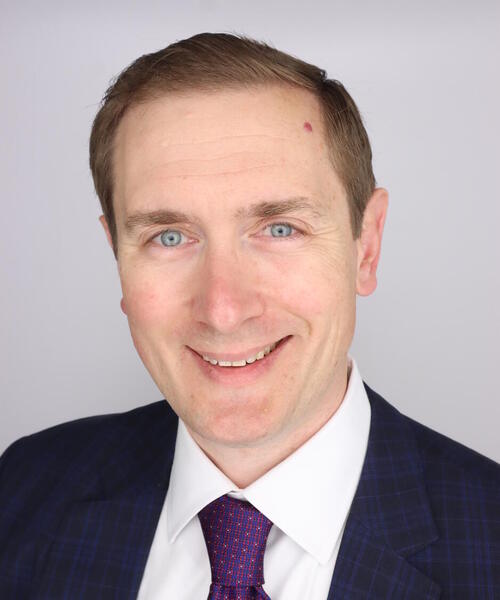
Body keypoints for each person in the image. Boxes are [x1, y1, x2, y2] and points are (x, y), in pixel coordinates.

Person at [0, 32, 498, 600]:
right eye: (169, 236)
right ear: (117, 256)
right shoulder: (22, 492)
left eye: (279, 229)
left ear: (366, 247)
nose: (223, 310)